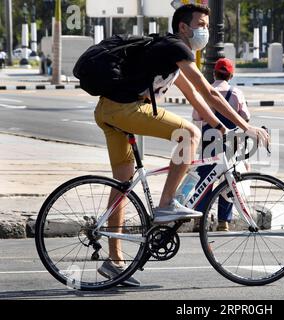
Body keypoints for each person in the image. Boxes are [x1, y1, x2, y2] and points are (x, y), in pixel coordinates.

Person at [94, 4, 269, 286]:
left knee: (122, 187)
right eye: (201, 24)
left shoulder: (170, 51)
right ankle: (166, 205)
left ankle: (114, 262)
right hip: (125, 110)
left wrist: (221, 127)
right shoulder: (177, 47)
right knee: (189, 134)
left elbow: (196, 97)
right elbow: (208, 90)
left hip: (107, 111)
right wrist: (246, 126)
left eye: (208, 25)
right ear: (184, 27)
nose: (205, 30)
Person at [192, 58, 251, 232]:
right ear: (231, 75)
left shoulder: (205, 92)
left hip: (208, 142)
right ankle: (223, 221)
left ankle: (199, 220)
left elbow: (196, 117)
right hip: (229, 143)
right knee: (228, 181)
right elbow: (245, 118)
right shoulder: (236, 94)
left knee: (204, 180)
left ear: (213, 73)